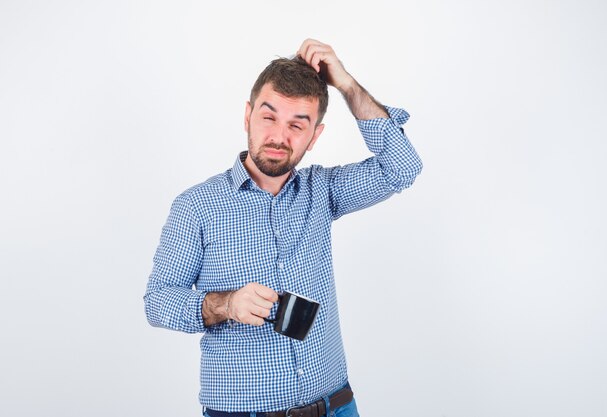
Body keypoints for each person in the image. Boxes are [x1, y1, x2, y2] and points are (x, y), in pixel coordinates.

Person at [144, 38, 422, 417]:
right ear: (247, 116)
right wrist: (226, 304)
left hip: (335, 406)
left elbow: (402, 167)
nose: (279, 136)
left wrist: (346, 84)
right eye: (269, 117)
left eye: (297, 124)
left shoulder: (322, 191)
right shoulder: (196, 206)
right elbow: (157, 302)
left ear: (314, 136)